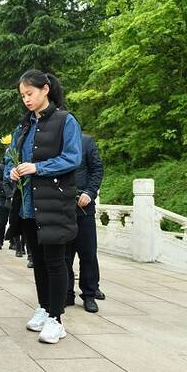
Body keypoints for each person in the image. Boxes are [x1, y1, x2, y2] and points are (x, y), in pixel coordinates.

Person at [5, 69, 82, 344]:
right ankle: (44, 307)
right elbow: (9, 159)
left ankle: (57, 318)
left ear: (45, 89)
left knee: (56, 262)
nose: (26, 99)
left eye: (30, 93)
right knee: (37, 261)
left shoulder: (65, 121)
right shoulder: (22, 127)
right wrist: (11, 172)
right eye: (22, 95)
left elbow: (73, 158)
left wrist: (39, 167)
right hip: (27, 205)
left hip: (54, 203)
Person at [66, 134, 104, 313]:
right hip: (61, 209)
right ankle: (66, 293)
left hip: (84, 207)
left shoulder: (86, 142)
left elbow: (97, 169)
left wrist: (89, 192)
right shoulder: (53, 143)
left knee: (87, 253)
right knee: (64, 255)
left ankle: (89, 293)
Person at [0, 159, 12, 250]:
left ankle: (13, 242)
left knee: (14, 221)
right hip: (3, 197)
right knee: (2, 221)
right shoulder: (0, 167)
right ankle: (0, 241)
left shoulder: (16, 164)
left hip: (15, 197)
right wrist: (8, 189)